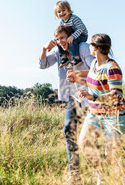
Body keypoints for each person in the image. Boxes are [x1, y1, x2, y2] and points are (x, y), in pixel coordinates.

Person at [67, 33, 125, 182]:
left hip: (115, 115)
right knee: (84, 142)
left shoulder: (112, 68)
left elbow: (116, 96)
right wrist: (78, 80)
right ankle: (100, 175)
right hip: (95, 113)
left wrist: (92, 97)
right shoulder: (94, 64)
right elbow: (94, 85)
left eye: (91, 46)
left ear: (98, 48)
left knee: (111, 157)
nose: (89, 48)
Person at [39, 25, 94, 184]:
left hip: (91, 95)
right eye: (57, 39)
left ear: (70, 37)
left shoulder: (83, 47)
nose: (60, 41)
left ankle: (101, 171)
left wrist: (78, 74)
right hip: (74, 98)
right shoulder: (58, 51)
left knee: (93, 136)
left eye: (63, 38)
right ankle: (75, 174)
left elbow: (96, 69)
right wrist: (44, 49)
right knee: (68, 130)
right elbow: (42, 65)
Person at [54, 0, 88, 68]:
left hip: (82, 35)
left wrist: (73, 36)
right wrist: (56, 40)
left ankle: (77, 58)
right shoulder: (61, 23)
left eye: (64, 10)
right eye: (59, 12)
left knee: (72, 41)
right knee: (58, 42)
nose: (62, 13)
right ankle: (64, 57)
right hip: (71, 35)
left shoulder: (74, 18)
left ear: (68, 10)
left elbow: (80, 29)